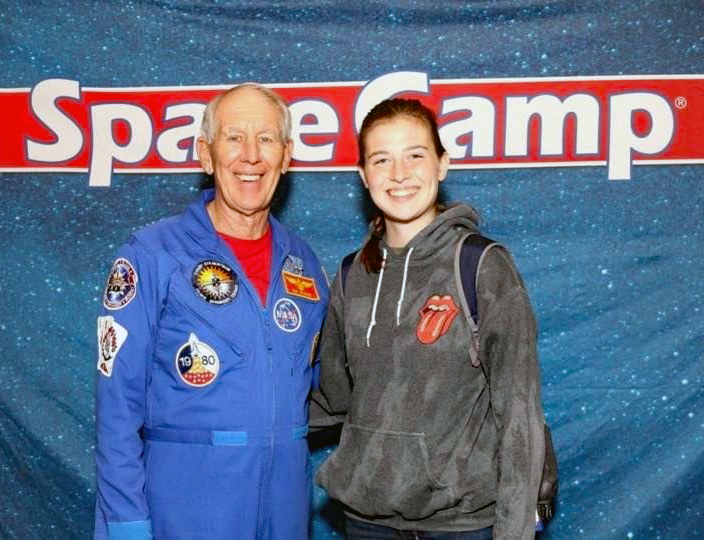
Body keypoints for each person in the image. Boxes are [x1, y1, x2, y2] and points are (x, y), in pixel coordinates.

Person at [94, 83, 329, 540]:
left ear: (286, 156)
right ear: (206, 154)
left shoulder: (304, 265)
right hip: (186, 508)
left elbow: (326, 386)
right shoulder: (152, 255)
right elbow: (117, 409)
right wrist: (124, 525)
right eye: (234, 137)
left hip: (285, 509)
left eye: (265, 139)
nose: (250, 155)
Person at [312, 98, 545, 539]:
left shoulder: (481, 266)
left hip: (461, 526)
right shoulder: (349, 275)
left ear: (442, 165)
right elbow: (333, 401)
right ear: (363, 176)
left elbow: (519, 417)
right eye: (382, 159)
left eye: (415, 156)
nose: (399, 174)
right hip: (367, 525)